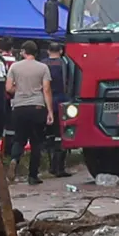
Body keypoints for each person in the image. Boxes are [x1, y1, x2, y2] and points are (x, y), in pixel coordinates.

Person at [5, 40, 53, 185]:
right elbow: (46, 89)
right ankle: (33, 176)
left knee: (19, 139)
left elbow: (8, 88)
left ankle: (14, 159)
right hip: (37, 107)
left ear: (23, 52)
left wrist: (19, 90)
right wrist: (50, 111)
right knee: (36, 142)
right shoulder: (43, 67)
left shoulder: (14, 67)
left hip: (19, 107)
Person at [42, 42, 71, 177]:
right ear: (60, 51)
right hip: (63, 101)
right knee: (61, 134)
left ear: (48, 51)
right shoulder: (65, 64)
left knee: (49, 135)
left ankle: (51, 165)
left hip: (45, 102)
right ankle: (59, 167)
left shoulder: (42, 64)